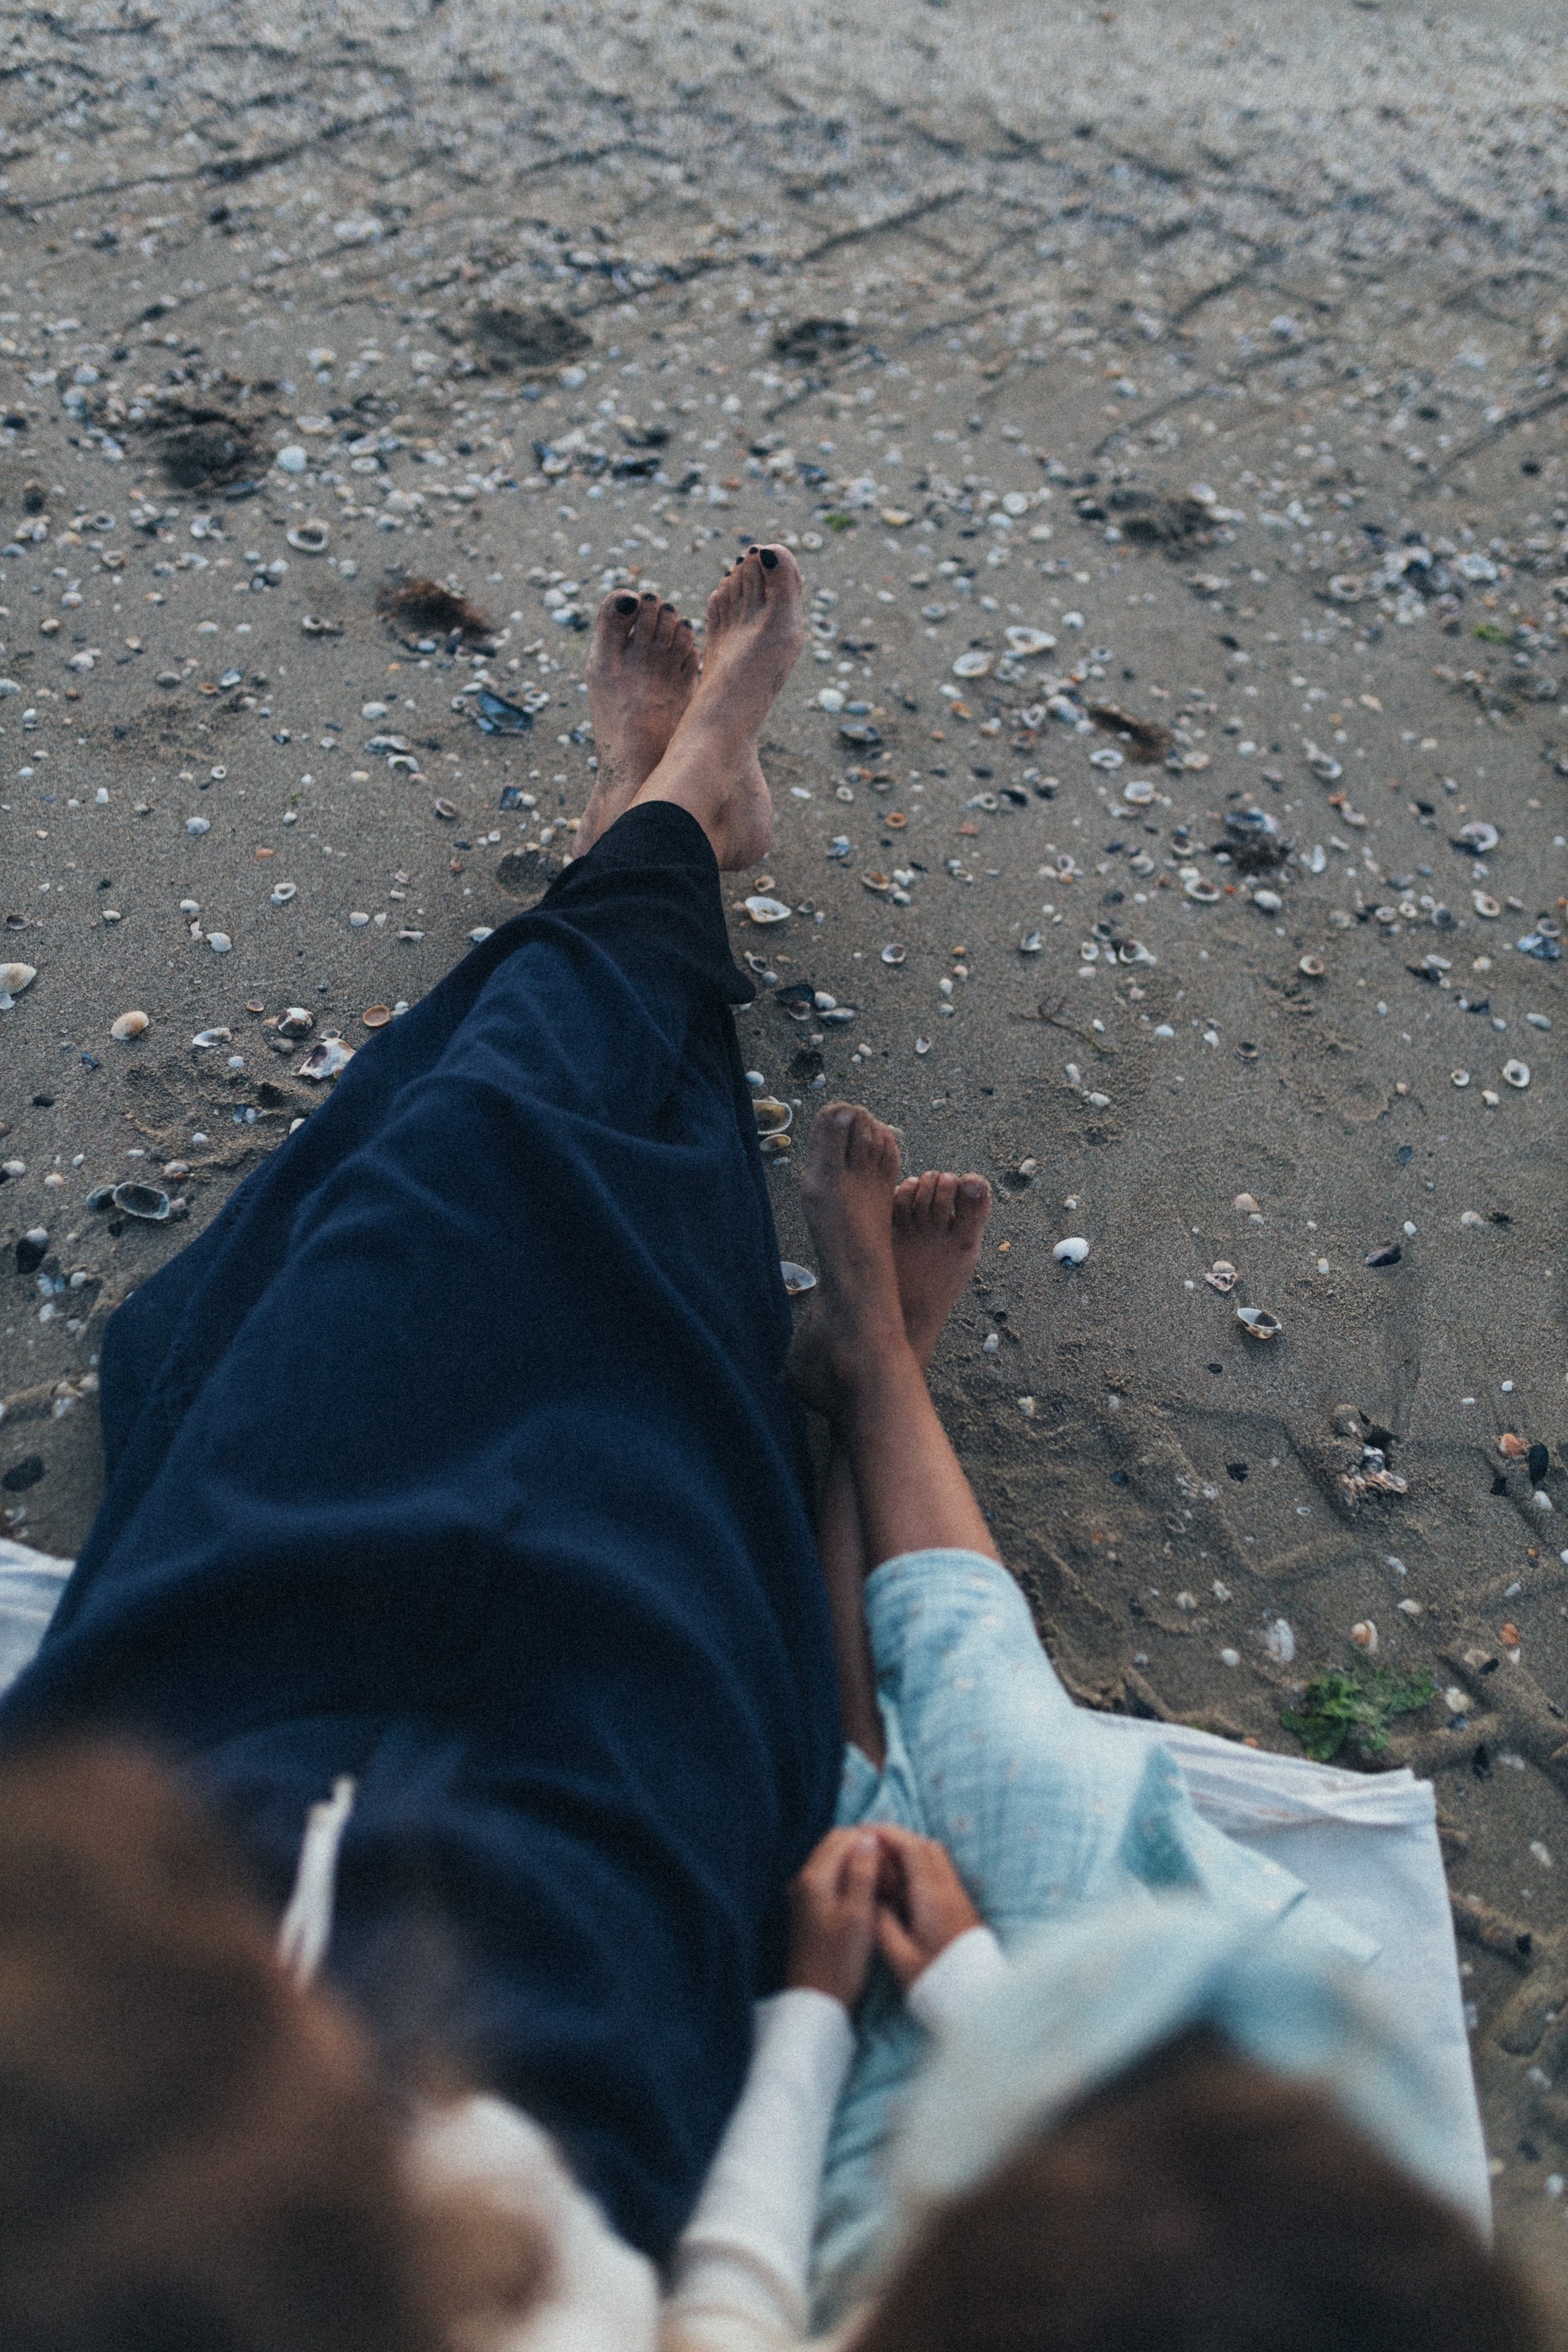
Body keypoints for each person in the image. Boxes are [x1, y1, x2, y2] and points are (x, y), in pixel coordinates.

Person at [0, 553, 1548, 2352]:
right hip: (587, 1942)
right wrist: (809, 2021)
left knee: (421, 1230)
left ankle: (660, 829)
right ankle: (671, 854)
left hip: (198, 1790)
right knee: (627, 1362)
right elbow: (738, 2306)